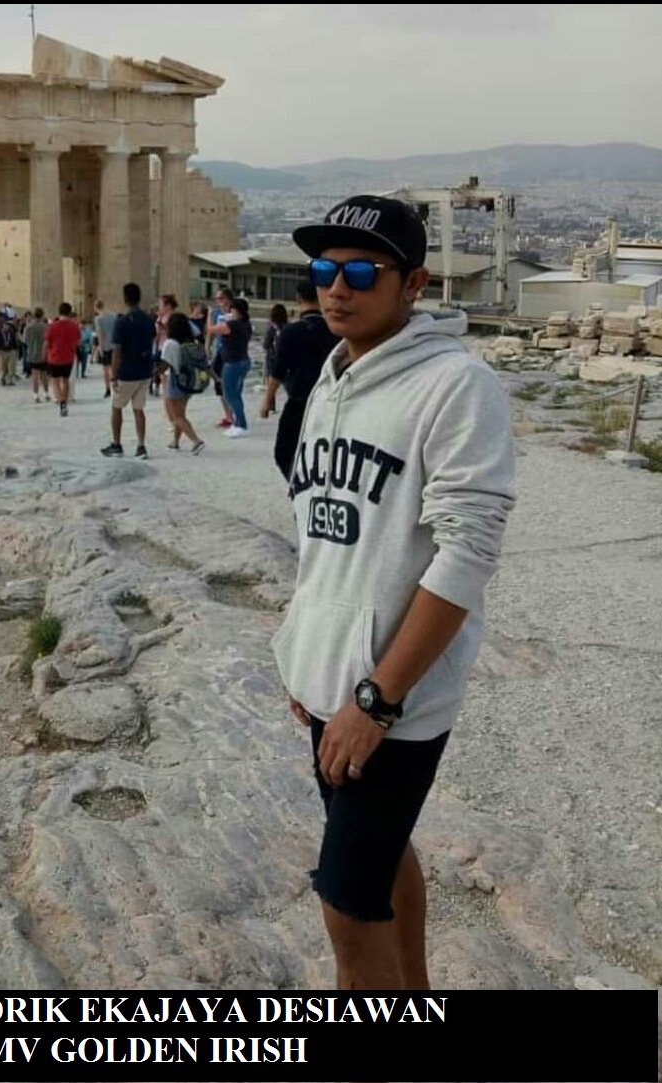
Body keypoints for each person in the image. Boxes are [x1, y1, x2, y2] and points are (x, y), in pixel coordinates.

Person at [273, 194, 516, 991]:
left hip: (393, 701)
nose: (334, 288)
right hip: (332, 682)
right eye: (322, 270)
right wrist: (305, 649)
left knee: (345, 906)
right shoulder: (330, 375)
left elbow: (466, 554)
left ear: (412, 283)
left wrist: (375, 700)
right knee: (379, 859)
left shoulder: (456, 384)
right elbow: (324, 534)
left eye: (360, 272)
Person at [261, 281, 341, 480]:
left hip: (299, 400)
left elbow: (278, 371)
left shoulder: (291, 331)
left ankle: (298, 485)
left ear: (298, 298)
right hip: (330, 399)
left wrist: (267, 401)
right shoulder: (334, 329)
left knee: (284, 451)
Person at [101, 282, 154, 459]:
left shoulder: (122, 321)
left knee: (117, 407)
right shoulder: (148, 319)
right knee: (139, 409)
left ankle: (117, 444)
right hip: (145, 370)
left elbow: (117, 350)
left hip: (127, 371)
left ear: (125, 299)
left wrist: (114, 374)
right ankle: (141, 445)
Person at [159, 311, 205, 454]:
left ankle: (196, 441)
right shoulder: (190, 342)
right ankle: (175, 442)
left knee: (176, 416)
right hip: (189, 381)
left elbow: (165, 365)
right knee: (181, 413)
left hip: (175, 381)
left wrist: (152, 373)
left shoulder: (170, 343)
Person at [207, 296, 252, 438]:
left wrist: (209, 315)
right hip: (243, 361)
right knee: (236, 394)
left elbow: (211, 329)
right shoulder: (246, 324)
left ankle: (241, 424)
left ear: (236, 310)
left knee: (230, 394)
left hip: (233, 363)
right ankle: (238, 422)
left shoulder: (233, 325)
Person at [44, 302, 80, 417]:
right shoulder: (74, 326)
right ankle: (64, 403)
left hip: (54, 357)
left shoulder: (52, 326)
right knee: (65, 380)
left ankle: (61, 403)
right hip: (68, 358)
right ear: (69, 312)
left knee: (55, 381)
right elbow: (78, 342)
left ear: (59, 312)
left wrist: (45, 355)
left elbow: (47, 343)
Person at [207, 287, 235, 428]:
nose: (218, 301)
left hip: (232, 351)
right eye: (217, 299)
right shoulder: (216, 312)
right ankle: (228, 415)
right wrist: (207, 347)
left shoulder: (235, 312)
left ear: (228, 299)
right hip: (219, 350)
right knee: (219, 383)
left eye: (221, 298)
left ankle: (233, 414)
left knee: (230, 383)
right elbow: (211, 332)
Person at [94, 299, 119, 399]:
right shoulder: (114, 316)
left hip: (105, 346)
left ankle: (108, 389)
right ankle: (115, 386)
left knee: (105, 369)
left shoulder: (98, 319)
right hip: (114, 345)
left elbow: (100, 334)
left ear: (96, 308)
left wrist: (100, 347)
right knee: (114, 368)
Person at [24, 307, 50, 404]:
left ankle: (36, 395)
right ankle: (46, 394)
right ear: (42, 315)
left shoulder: (29, 327)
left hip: (32, 354)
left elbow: (25, 340)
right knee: (44, 375)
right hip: (44, 354)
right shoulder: (46, 327)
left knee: (35, 375)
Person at [262, 303, 288, 381]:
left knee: (270, 382)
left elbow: (265, 345)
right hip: (285, 360)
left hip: (272, 360)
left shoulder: (272, 328)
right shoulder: (288, 327)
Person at [0, 313, 19, 386]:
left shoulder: (11, 332)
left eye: (8, 325)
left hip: (11, 351)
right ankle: (3, 378)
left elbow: (15, 341)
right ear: (2, 325)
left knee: (12, 366)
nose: (7, 326)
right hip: (2, 351)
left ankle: (10, 380)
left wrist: (16, 350)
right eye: (5, 325)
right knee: (4, 367)